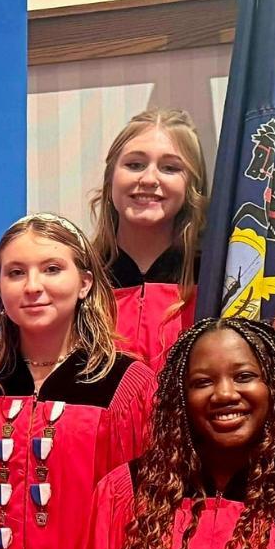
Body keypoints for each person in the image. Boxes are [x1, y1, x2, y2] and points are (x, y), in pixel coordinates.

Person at [0, 213, 158, 549]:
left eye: (52, 269)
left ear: (84, 283)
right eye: (16, 272)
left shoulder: (125, 386)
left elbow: (139, 516)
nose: (32, 286)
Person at [85, 317, 275, 549]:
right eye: (202, 382)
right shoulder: (129, 493)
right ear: (181, 398)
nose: (224, 394)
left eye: (244, 376)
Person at [87, 108, 207, 370]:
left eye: (170, 168)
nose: (149, 178)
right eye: (135, 165)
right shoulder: (79, 279)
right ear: (110, 180)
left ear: (192, 188)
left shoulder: (215, 279)